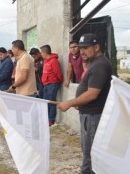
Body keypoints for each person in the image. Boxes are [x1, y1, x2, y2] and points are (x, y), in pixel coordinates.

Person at [58, 33, 112, 174]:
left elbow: (92, 94)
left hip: (94, 115)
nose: (81, 51)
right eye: (80, 47)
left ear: (96, 47)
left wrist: (70, 102)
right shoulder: (94, 62)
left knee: (91, 151)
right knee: (87, 149)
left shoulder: (100, 64)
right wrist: (79, 102)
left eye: (86, 48)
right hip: (88, 113)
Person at [40, 44, 63, 126]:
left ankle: (51, 120)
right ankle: (46, 118)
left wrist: (58, 82)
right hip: (46, 84)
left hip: (52, 84)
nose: (41, 54)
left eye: (41, 52)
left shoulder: (54, 61)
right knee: (45, 102)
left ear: (45, 52)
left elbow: (58, 73)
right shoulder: (46, 61)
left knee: (51, 102)